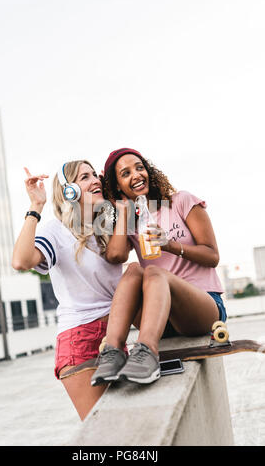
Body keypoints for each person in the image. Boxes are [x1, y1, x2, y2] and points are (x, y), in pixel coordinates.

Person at [12, 160, 144, 420]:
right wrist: (36, 205)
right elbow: (21, 261)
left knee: (128, 425)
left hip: (114, 338)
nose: (95, 180)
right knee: (105, 431)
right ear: (69, 192)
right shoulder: (56, 231)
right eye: (85, 177)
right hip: (80, 341)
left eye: (95, 175)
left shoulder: (106, 228)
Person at [91, 147, 227, 386]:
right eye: (125, 173)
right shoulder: (132, 221)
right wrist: (123, 212)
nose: (136, 175)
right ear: (118, 186)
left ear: (149, 171)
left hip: (202, 306)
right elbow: (116, 256)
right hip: (161, 317)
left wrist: (170, 245)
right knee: (133, 269)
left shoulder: (180, 201)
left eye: (139, 167)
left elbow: (212, 256)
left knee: (153, 271)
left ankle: (147, 352)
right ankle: (112, 351)